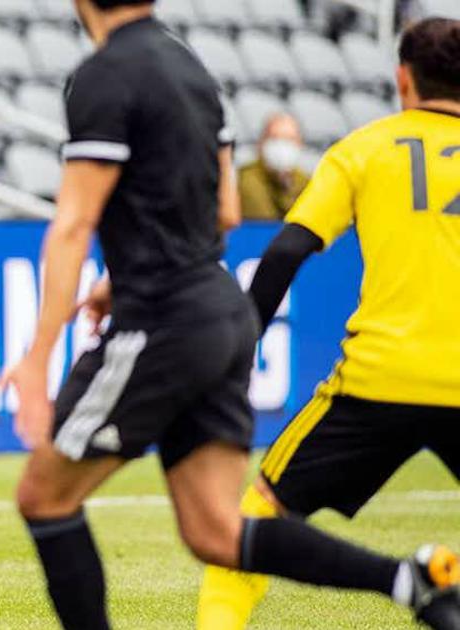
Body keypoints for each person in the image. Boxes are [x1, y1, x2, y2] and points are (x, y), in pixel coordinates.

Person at [0, 2, 460, 629]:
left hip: (161, 320)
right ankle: (407, 580)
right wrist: (127, 270)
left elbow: (75, 221)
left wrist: (35, 356)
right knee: (216, 531)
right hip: (219, 314)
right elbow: (225, 210)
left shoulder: (103, 74)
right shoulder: (193, 70)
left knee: (43, 497)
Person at [198, 17, 460, 630]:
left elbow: (286, 251)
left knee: (252, 521)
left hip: (378, 383)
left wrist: (238, 352)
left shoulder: (364, 148)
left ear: (403, 79)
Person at [239, 113, 310, 221]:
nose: (282, 145)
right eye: (275, 138)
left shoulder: (306, 182)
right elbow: (263, 220)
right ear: (261, 143)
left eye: (289, 139)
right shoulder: (246, 180)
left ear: (299, 144)